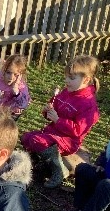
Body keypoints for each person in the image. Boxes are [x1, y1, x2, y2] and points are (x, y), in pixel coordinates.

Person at [21, 55, 100, 188]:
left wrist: (58, 120)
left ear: (86, 79)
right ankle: (36, 160)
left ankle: (59, 169)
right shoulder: (66, 92)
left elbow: (78, 130)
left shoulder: (88, 104)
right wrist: (48, 111)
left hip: (69, 140)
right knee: (26, 137)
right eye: (67, 77)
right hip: (53, 133)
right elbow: (55, 108)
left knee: (37, 141)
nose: (67, 81)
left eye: (72, 78)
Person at [0, 54, 31, 119]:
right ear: (4, 70)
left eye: (16, 74)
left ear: (20, 74)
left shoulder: (21, 85)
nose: (11, 77)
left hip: (8, 115)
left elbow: (24, 104)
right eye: (8, 72)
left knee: (18, 106)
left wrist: (16, 93)